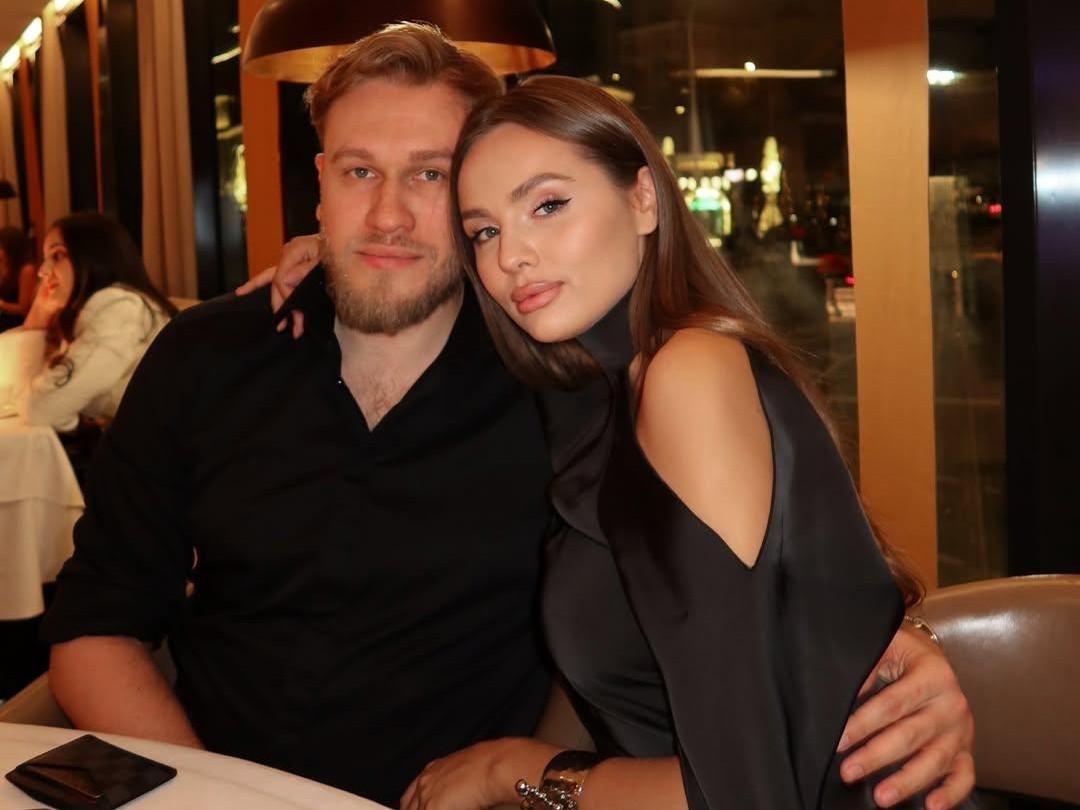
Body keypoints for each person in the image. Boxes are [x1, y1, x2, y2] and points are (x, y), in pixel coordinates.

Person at [46, 23, 971, 810]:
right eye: (360, 171)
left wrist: (900, 654)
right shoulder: (206, 357)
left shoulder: (566, 381)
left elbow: (763, 566)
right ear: (319, 181)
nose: (388, 216)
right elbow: (92, 625)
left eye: (430, 177)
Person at [0, 213, 174, 431]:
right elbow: (19, 393)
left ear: (93, 256)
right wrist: (37, 318)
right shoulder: (104, 309)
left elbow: (40, 408)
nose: (43, 271)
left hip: (155, 446)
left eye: (57, 255)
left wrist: (36, 322)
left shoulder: (118, 307)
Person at [0, 225, 36, 330]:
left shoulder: (26, 270)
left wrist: (1, 304)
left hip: (16, 323)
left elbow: (24, 309)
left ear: (11, 249)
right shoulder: (5, 265)